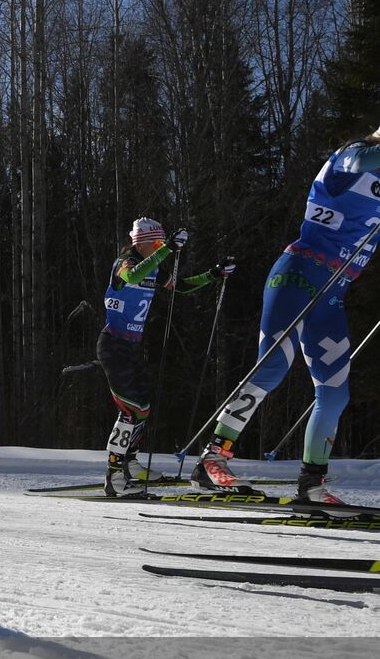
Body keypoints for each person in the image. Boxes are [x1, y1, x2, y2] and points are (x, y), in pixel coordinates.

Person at [194, 127, 380, 503]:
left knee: (334, 392)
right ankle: (211, 460)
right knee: (273, 366)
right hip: (298, 273)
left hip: (332, 294)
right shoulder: (356, 152)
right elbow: (362, 161)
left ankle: (311, 483)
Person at [98, 219, 234, 496]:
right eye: (157, 244)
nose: (160, 248)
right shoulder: (123, 263)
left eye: (162, 243)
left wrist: (213, 275)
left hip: (131, 347)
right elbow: (133, 277)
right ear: (142, 243)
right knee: (131, 409)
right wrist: (168, 249)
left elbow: (180, 286)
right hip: (113, 345)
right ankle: (113, 477)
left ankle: (130, 464)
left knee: (143, 409)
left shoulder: (154, 265)